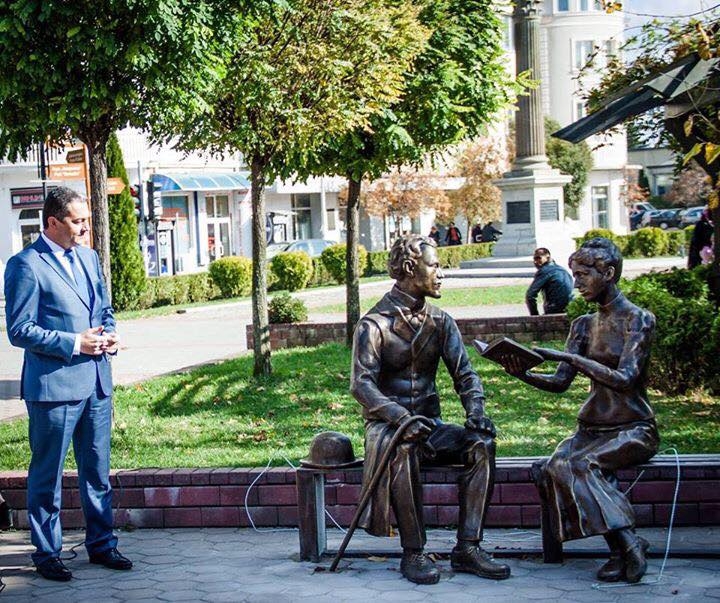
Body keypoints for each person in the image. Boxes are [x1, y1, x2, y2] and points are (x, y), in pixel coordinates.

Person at [351, 234, 509, 585]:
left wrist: (476, 411)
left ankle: (468, 547)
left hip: (431, 425)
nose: (441, 273)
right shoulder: (374, 324)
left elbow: (465, 375)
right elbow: (362, 385)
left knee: (481, 445)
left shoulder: (440, 321)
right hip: (389, 428)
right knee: (403, 449)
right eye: (434, 266)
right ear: (410, 268)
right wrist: (400, 418)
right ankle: (414, 551)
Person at [503, 237, 658, 584]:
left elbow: (626, 379)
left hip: (634, 428)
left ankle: (624, 547)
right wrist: (521, 373)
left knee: (584, 465)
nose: (576, 283)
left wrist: (572, 358)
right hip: (591, 430)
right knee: (555, 465)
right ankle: (625, 545)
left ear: (609, 273)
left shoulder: (638, 319)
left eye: (583, 275)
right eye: (574, 275)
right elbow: (560, 382)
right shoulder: (583, 324)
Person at [3, 187, 132, 582]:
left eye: (86, 221)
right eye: (77, 222)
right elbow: (20, 330)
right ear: (53, 222)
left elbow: (103, 309)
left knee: (97, 472)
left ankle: (102, 545)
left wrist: (110, 335)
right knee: (48, 476)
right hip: (54, 387)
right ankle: (47, 554)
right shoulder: (25, 265)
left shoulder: (89, 258)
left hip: (96, 382)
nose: (84, 228)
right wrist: (75, 342)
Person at [525, 248, 573, 315]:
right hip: (570, 309)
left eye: (538, 258)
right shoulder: (563, 270)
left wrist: (534, 316)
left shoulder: (545, 271)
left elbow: (530, 296)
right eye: (534, 259)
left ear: (548, 257)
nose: (535, 262)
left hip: (554, 311)